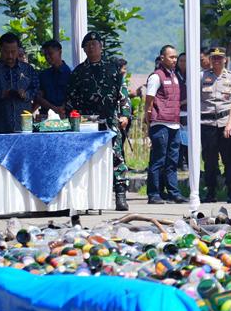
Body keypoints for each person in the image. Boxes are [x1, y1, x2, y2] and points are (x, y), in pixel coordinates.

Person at [66, 31, 132, 210]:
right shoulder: (79, 72)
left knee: (116, 156)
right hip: (88, 123)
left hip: (110, 119)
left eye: (95, 44)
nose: (92, 47)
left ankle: (120, 195)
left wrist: (125, 114)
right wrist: (73, 119)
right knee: (89, 158)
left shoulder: (113, 68)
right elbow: (71, 99)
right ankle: (89, 198)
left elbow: (123, 94)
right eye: (88, 45)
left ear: (101, 47)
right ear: (84, 49)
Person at [0, 33, 40, 134]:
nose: (10, 55)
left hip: (23, 126)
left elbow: (36, 89)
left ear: (18, 50)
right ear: (0, 49)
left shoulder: (28, 69)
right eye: (6, 52)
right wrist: (1, 94)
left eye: (13, 52)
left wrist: (25, 94)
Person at [144, 44, 183, 205]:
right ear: (162, 58)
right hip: (160, 123)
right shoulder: (156, 76)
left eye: (175, 57)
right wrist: (149, 123)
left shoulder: (174, 75)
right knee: (158, 160)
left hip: (174, 123)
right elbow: (149, 102)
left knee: (172, 161)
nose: (174, 60)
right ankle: (153, 194)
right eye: (171, 57)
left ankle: (173, 192)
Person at [200, 47, 231, 202]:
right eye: (214, 58)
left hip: (226, 123)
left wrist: (230, 123)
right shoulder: (202, 76)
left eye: (220, 58)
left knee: (229, 159)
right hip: (207, 123)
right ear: (210, 59)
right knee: (209, 160)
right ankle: (211, 192)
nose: (216, 60)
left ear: (225, 59)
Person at [37, 39, 72, 118]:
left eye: (50, 54)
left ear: (59, 52)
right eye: (45, 55)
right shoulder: (43, 75)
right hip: (47, 117)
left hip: (66, 115)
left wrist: (62, 108)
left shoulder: (71, 73)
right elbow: (38, 97)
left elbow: (73, 96)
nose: (47, 57)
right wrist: (53, 108)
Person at [176, 51, 188, 171]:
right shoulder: (174, 74)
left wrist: (183, 103)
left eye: (185, 61)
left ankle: (187, 162)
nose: (183, 63)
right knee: (177, 139)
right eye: (181, 61)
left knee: (187, 139)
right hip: (175, 112)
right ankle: (180, 162)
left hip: (187, 111)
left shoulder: (192, 75)